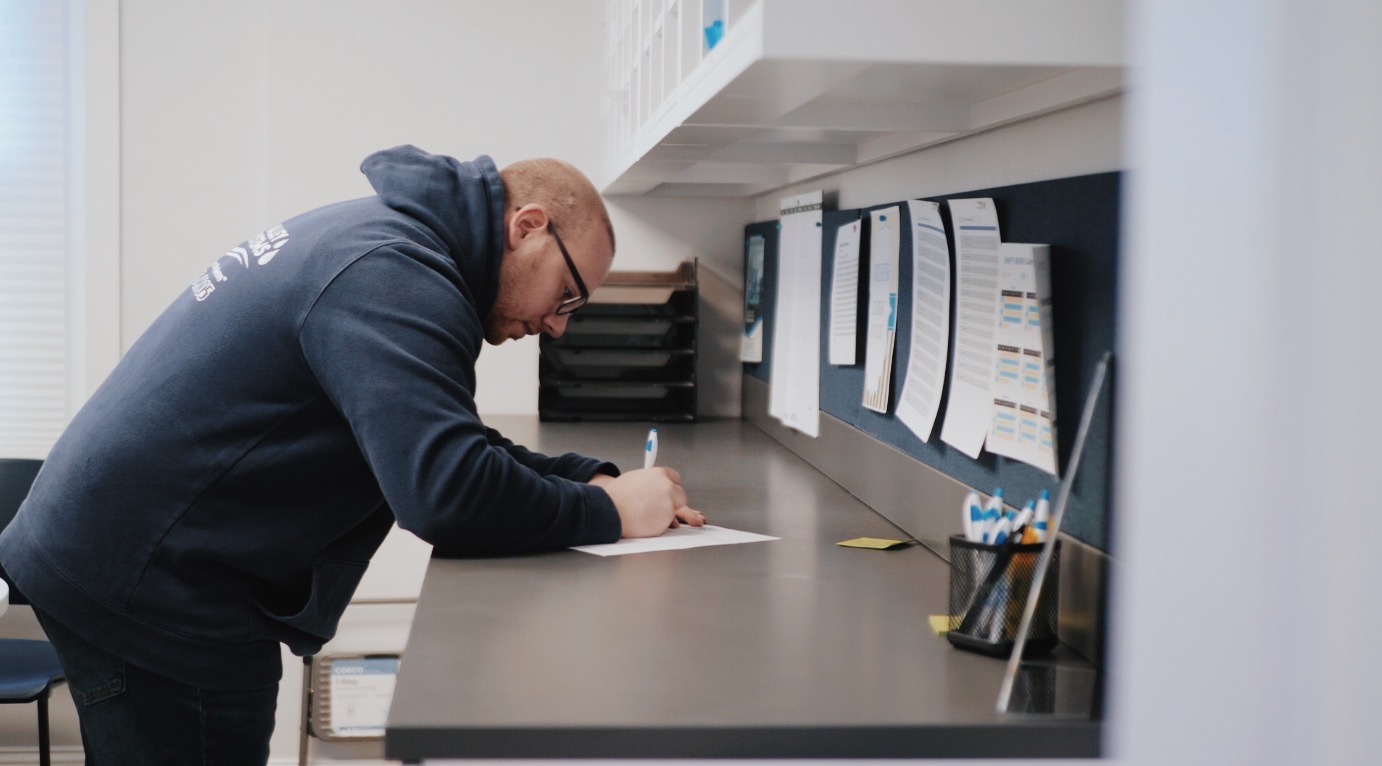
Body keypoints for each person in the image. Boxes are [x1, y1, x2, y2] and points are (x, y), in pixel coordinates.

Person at [0, 145, 703, 764]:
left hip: (127, 549)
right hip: (147, 581)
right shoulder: (394, 274)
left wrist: (585, 476)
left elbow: (438, 442)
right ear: (528, 227)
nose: (556, 324)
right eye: (569, 296)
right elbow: (446, 493)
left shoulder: (394, 247)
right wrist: (607, 512)